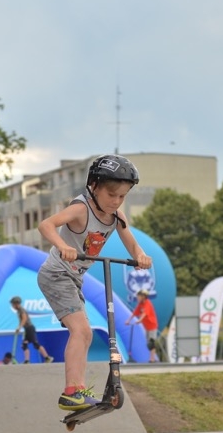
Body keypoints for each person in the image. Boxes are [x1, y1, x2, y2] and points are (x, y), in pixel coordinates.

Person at [37, 154, 152, 411]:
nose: (116, 201)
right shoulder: (81, 209)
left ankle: (76, 391)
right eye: (112, 194)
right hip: (57, 273)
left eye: (122, 196)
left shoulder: (117, 217)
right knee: (82, 331)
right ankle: (72, 392)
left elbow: (130, 241)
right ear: (94, 186)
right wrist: (63, 246)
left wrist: (140, 256)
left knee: (84, 333)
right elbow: (46, 225)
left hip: (73, 277)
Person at [10, 296, 53, 364]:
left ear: (16, 303)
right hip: (26, 329)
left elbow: (24, 319)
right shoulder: (19, 311)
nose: (12, 306)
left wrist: (19, 327)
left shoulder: (21, 310)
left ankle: (47, 357)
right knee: (24, 345)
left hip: (29, 328)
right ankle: (27, 360)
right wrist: (20, 327)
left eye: (13, 304)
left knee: (36, 344)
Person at [127, 288, 159, 362]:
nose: (137, 298)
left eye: (139, 296)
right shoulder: (140, 305)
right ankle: (152, 358)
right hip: (146, 327)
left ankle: (152, 359)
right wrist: (128, 320)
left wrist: (139, 320)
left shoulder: (147, 303)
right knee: (148, 343)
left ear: (143, 297)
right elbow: (135, 313)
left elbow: (145, 313)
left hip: (152, 325)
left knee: (151, 343)